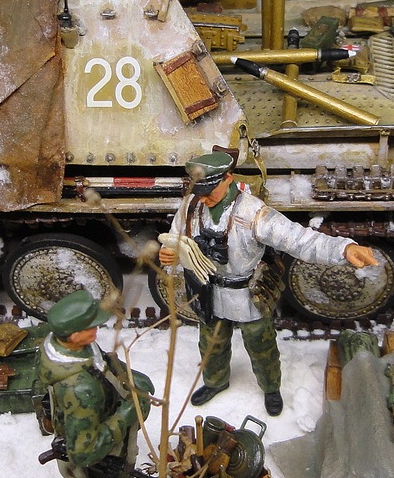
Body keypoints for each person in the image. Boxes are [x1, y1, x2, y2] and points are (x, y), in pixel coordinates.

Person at [157, 151, 377, 417]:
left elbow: (299, 239)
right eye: (198, 191)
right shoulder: (191, 207)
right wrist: (170, 253)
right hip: (209, 291)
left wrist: (343, 249)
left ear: (227, 179)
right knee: (211, 345)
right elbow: (175, 236)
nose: (203, 198)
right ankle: (215, 381)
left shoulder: (252, 212)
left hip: (246, 294)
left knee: (261, 345)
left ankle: (271, 387)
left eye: (208, 191)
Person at [35, 289, 155, 478]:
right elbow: (85, 452)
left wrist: (131, 378)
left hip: (108, 429)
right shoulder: (80, 388)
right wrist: (127, 415)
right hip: (101, 454)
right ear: (73, 334)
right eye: (90, 327)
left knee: (124, 474)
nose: (96, 330)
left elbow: (104, 364)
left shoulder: (71, 349)